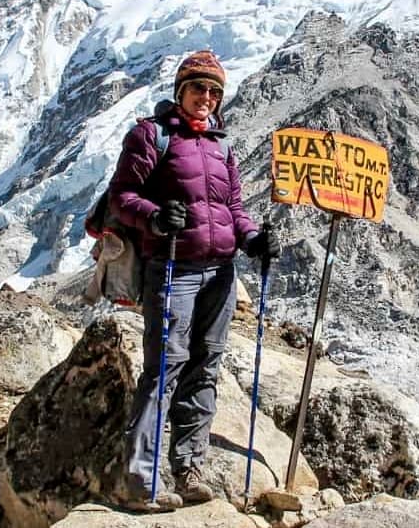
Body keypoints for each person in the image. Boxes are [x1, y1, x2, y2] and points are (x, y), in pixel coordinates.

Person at [108, 49, 280, 511]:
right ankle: (141, 480)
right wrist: (156, 216)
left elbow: (234, 210)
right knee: (165, 367)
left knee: (206, 367)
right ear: (180, 90)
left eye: (213, 91)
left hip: (220, 272)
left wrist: (253, 240)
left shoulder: (223, 146)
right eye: (198, 87)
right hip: (171, 268)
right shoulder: (152, 135)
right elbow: (121, 196)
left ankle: (189, 469)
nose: (205, 96)